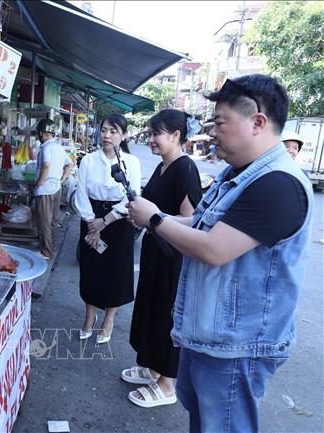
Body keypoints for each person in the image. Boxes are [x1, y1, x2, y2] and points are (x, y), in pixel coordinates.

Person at [127, 74, 313, 433]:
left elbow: (214, 249)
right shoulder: (235, 174)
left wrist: (152, 219)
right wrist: (160, 218)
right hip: (208, 336)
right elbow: (198, 222)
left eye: (220, 122)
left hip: (237, 347)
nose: (211, 132)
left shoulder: (278, 183)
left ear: (257, 122)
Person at [123, 109, 203, 408]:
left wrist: (154, 219)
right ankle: (153, 367)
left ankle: (168, 383)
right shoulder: (162, 167)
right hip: (155, 250)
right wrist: (142, 219)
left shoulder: (185, 169)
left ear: (176, 136)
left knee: (168, 315)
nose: (151, 140)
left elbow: (192, 220)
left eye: (156, 134)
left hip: (173, 257)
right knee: (152, 310)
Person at [74, 114, 141, 344]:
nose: (107, 135)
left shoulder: (131, 162)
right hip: (90, 219)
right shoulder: (88, 160)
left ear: (123, 135)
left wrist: (107, 220)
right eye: (104, 130)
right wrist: (92, 223)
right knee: (91, 270)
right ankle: (90, 317)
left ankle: (109, 319)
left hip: (118, 223)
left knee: (115, 273)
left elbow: (132, 196)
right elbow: (81, 192)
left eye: (113, 131)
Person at [34, 118, 73, 260]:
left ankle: (46, 252)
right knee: (53, 221)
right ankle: (51, 248)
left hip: (45, 190)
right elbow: (70, 164)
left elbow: (46, 165)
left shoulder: (46, 148)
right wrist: (61, 180)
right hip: (56, 188)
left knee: (44, 221)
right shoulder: (58, 147)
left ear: (42, 133)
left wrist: (39, 182)